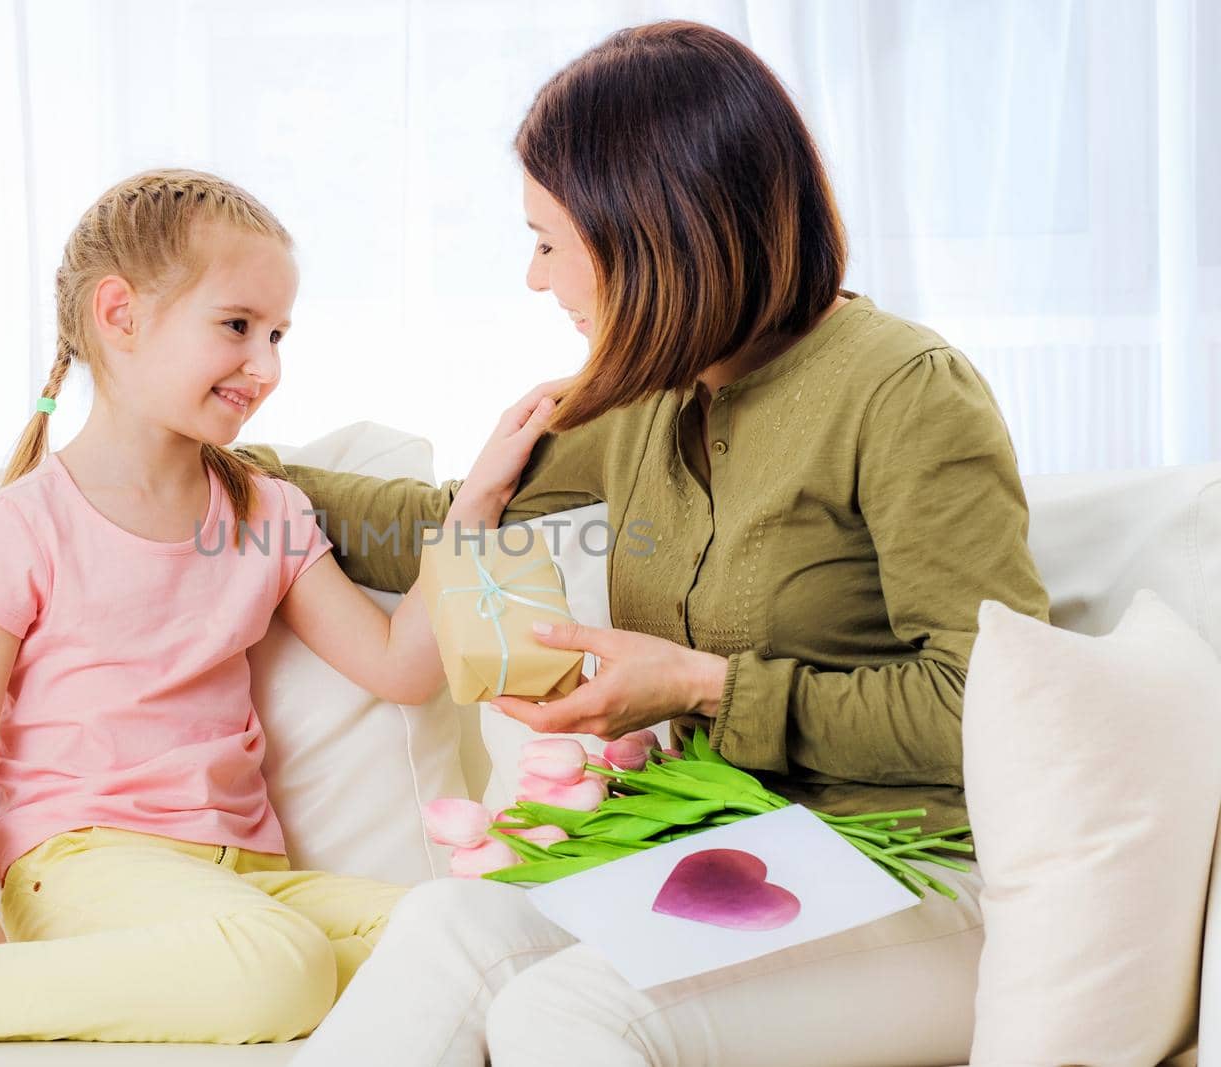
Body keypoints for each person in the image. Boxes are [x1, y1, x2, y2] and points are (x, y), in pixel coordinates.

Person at [236, 22, 1052, 1067]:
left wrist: (704, 685)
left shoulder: (903, 390)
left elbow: (991, 708)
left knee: (564, 1009)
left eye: (546, 240)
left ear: (649, 231)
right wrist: (204, 456)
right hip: (740, 862)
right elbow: (434, 521)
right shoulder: (650, 396)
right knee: (446, 927)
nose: (536, 279)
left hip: (926, 876)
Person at [0, 168, 558, 1067]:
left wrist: (478, 500)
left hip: (249, 878)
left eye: (279, 334)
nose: (267, 365)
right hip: (84, 867)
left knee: (465, 928)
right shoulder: (20, 522)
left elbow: (400, 665)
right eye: (238, 326)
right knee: (278, 965)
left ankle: (226, 965)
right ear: (120, 315)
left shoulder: (268, 510)